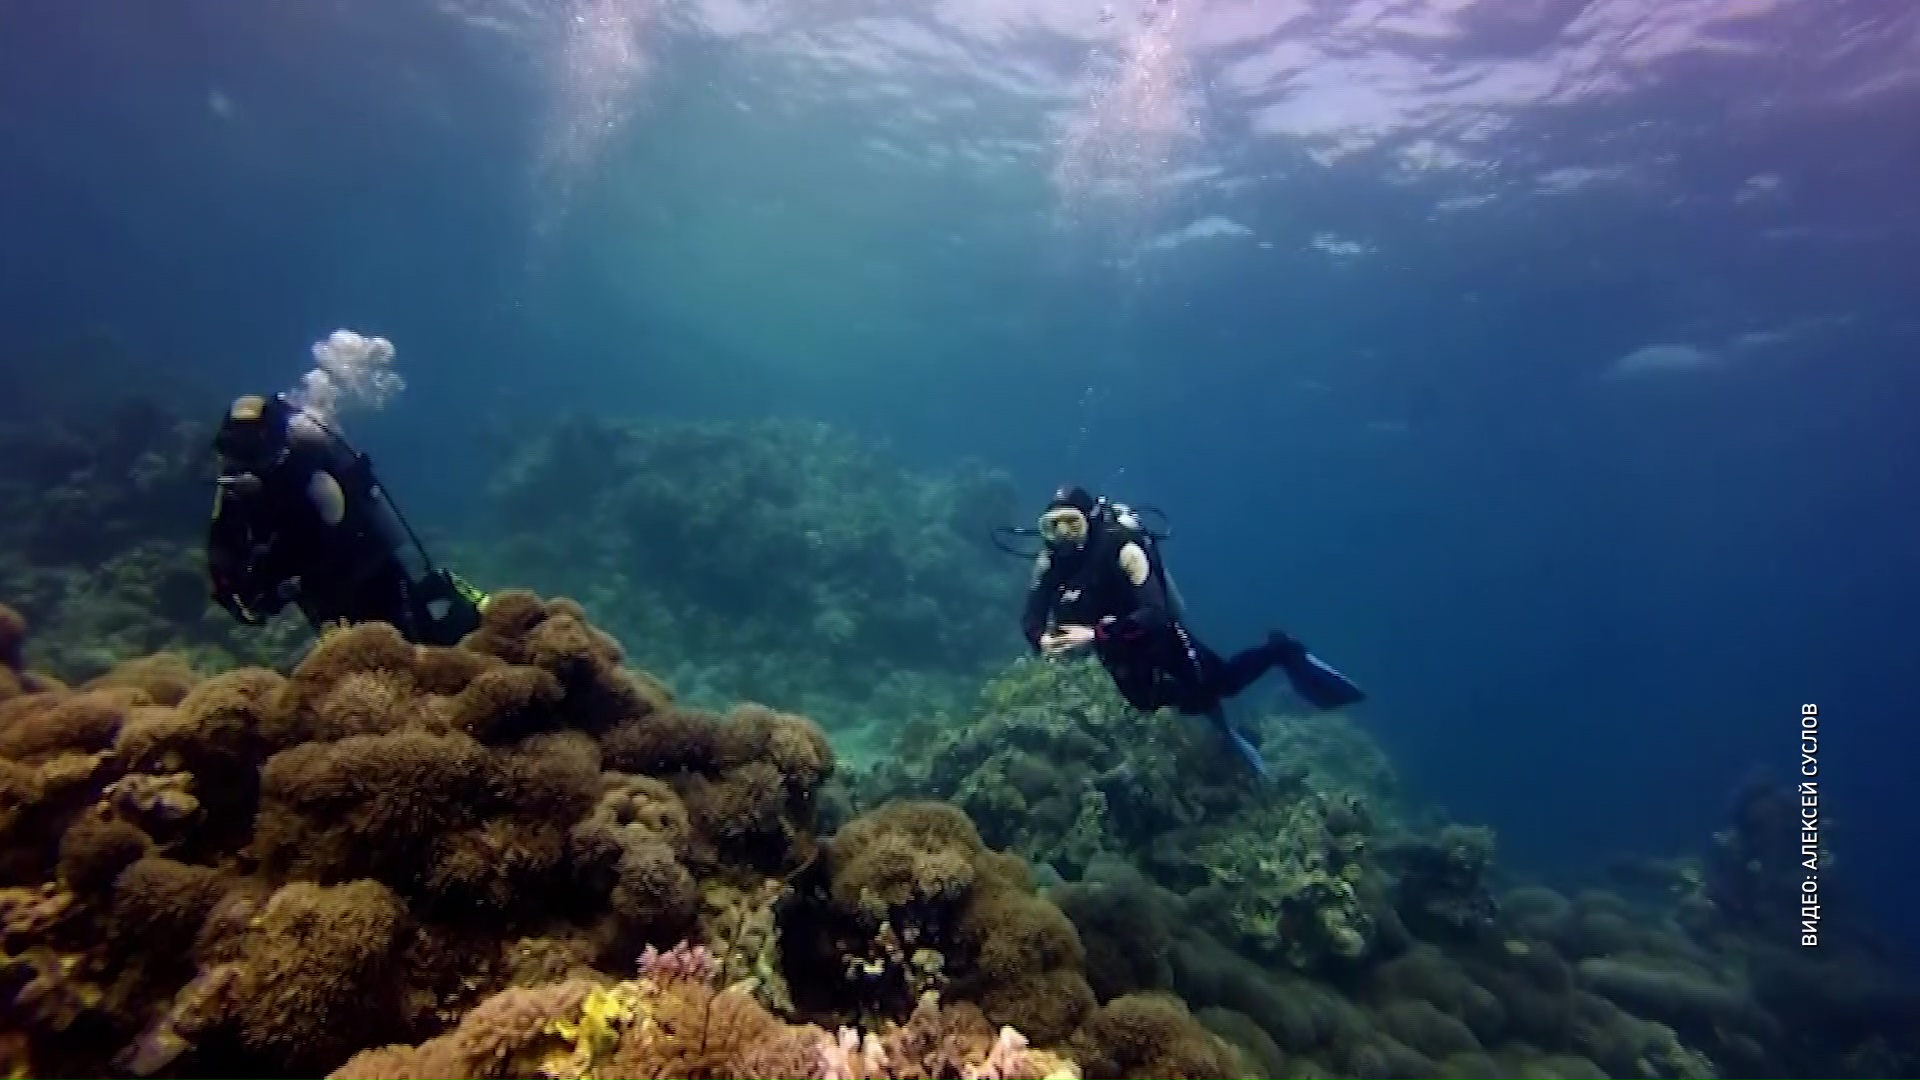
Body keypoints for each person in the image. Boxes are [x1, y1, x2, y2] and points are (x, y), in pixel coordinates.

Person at [1018, 485, 1365, 775]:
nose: (1062, 536)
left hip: (1159, 635)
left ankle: (1282, 651)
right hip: (1117, 646)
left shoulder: (1123, 548)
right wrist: (1043, 640)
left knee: (1222, 683)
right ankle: (1206, 705)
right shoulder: (1050, 563)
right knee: (1145, 701)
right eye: (1053, 526)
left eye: (1072, 524)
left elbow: (1155, 613)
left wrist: (1095, 636)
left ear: (1091, 520)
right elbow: (1030, 618)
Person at [206, 392, 487, 646]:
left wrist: (290, 584)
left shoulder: (312, 479)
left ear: (275, 444)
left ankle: (451, 596)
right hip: (320, 595)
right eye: (231, 448)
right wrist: (230, 593)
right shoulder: (234, 493)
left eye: (250, 448)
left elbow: (343, 542)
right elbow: (221, 547)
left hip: (370, 575)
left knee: (422, 646)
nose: (240, 461)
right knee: (354, 662)